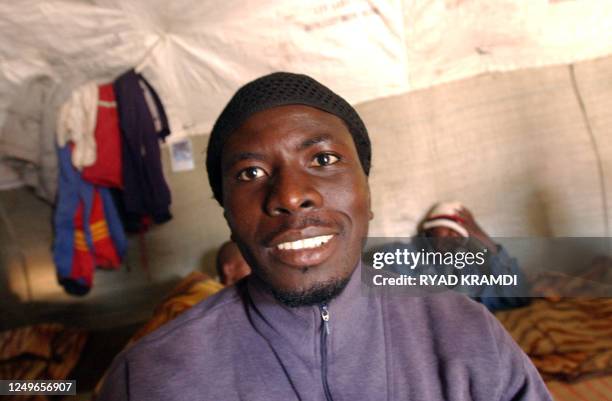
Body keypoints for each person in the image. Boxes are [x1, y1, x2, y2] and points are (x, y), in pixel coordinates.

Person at [98, 72, 552, 400]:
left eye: (324, 160)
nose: (292, 196)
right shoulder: (151, 379)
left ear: (366, 192)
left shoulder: (465, 332)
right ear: (228, 214)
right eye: (250, 172)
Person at [396, 201, 531, 311]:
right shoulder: (399, 255)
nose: (454, 236)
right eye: (449, 228)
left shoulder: (467, 272)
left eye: (460, 234)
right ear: (430, 229)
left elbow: (516, 296)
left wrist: (483, 237)